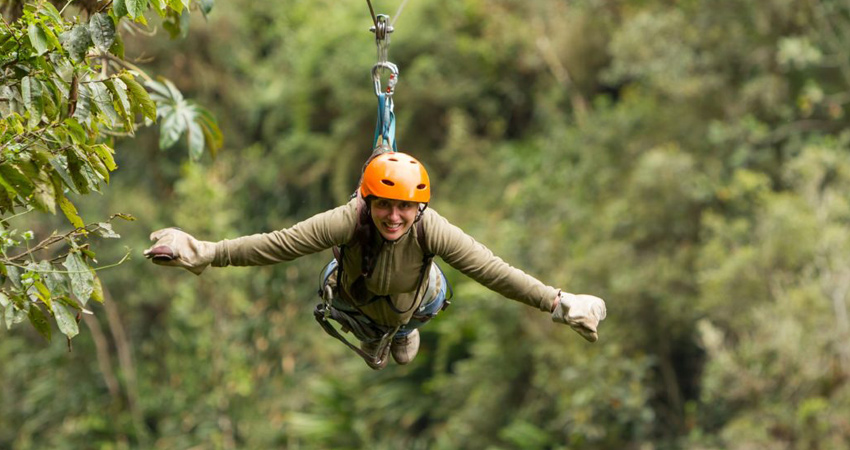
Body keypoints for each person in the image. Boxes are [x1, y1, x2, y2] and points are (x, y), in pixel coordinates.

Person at [145, 151, 607, 370]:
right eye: (384, 204)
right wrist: (205, 251)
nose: (393, 215)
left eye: (404, 206)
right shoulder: (350, 219)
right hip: (356, 299)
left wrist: (559, 302)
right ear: (368, 201)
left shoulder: (431, 229)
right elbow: (279, 243)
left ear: (419, 207)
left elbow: (492, 270)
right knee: (330, 280)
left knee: (425, 304)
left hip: (415, 300)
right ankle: (378, 333)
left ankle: (402, 332)